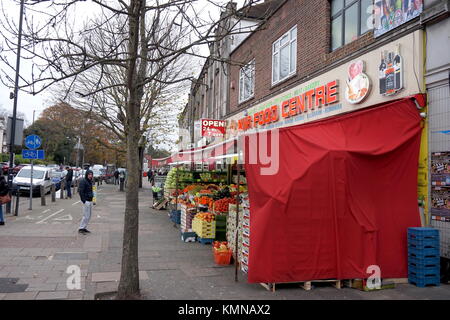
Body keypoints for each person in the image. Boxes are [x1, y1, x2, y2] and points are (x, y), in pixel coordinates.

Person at [78, 169, 94, 234]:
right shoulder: (83, 181)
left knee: (89, 215)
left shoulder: (90, 181)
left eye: (91, 174)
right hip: (86, 201)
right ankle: (81, 228)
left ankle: (84, 227)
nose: (90, 176)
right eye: (89, 174)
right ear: (86, 174)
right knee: (86, 215)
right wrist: (84, 201)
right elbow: (81, 191)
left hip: (90, 200)